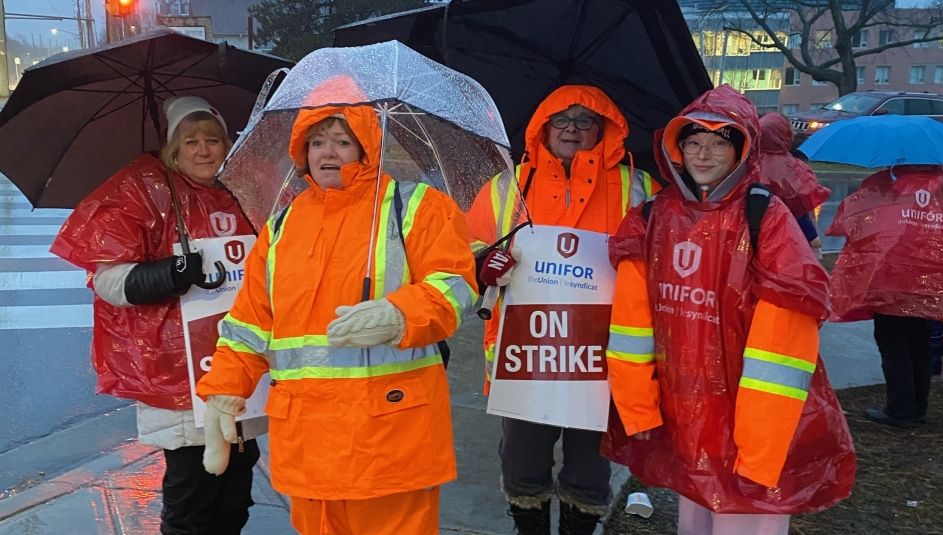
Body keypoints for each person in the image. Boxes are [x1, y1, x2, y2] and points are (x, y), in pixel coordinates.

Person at [195, 105, 477, 534]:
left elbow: (458, 287)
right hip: (308, 443)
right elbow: (251, 322)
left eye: (343, 141)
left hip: (388, 437)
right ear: (302, 151)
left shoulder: (415, 207)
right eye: (318, 141)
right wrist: (224, 388)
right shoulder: (282, 225)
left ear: (366, 150)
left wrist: (400, 314)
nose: (329, 152)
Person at [603, 85, 855, 535]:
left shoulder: (766, 218)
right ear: (676, 148)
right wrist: (639, 411)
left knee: (747, 520)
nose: (704, 155)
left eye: (719, 143)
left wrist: (759, 448)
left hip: (749, 421)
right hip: (686, 416)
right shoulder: (652, 218)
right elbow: (630, 327)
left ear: (741, 150)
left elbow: (783, 350)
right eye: (694, 142)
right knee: (695, 518)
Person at [50, 96, 266, 534]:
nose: (204, 150)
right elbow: (109, 281)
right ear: (173, 147)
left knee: (236, 494)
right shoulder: (139, 190)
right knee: (193, 494)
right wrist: (170, 273)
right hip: (176, 370)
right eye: (192, 141)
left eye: (213, 140)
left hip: (238, 363)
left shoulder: (245, 186)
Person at [467, 85, 659, 534]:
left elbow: (659, 260)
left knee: (591, 468)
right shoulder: (507, 185)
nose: (571, 129)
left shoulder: (640, 188)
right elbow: (465, 250)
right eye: (562, 120)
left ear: (602, 129)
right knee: (522, 461)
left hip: (602, 356)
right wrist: (482, 265)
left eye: (583, 121)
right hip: (526, 354)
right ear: (544, 128)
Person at [826, 163, 943, 427]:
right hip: (926, 281)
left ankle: (899, 410)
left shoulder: (883, 183)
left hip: (888, 278)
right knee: (919, 343)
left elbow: (852, 220)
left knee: (894, 345)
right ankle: (918, 407)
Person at [757, 112, 830, 253]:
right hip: (789, 232)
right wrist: (811, 235)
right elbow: (796, 203)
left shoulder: (752, 162)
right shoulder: (788, 166)